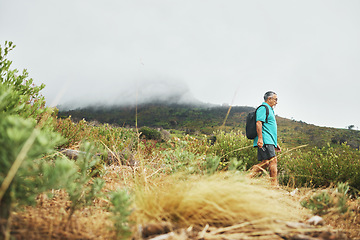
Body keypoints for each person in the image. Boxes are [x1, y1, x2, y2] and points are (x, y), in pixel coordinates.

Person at [249, 91, 281, 185]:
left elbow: (270, 128)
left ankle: (247, 177)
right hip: (265, 139)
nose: (276, 102)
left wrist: (275, 142)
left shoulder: (270, 110)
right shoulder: (263, 108)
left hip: (269, 140)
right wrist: (260, 138)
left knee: (266, 162)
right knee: (272, 160)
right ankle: (274, 185)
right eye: (275, 99)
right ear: (269, 99)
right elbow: (258, 123)